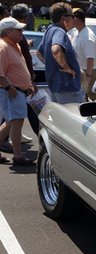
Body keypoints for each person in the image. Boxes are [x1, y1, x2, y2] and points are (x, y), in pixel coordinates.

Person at [0, 17, 36, 165]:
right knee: (16, 121)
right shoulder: (3, 47)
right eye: (18, 30)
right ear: (8, 31)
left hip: (17, 91)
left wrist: (29, 84)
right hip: (12, 91)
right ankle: (18, 156)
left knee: (11, 122)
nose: (22, 32)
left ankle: (17, 155)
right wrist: (9, 87)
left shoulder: (13, 45)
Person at [36, 2, 84, 104]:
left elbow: (38, 53)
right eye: (72, 16)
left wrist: (52, 65)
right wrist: (66, 68)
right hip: (67, 87)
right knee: (76, 118)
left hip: (56, 85)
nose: (73, 19)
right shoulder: (59, 31)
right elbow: (56, 49)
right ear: (64, 18)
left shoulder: (49, 30)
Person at [71, 9, 96, 101]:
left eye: (72, 17)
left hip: (88, 71)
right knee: (84, 97)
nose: (70, 20)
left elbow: (90, 58)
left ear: (77, 19)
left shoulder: (88, 36)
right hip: (81, 70)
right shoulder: (77, 32)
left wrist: (88, 76)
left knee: (91, 95)